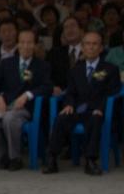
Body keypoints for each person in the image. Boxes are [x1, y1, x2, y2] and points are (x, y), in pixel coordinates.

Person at [44, 30, 120, 176]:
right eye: (87, 44)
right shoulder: (75, 70)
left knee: (96, 119)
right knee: (61, 118)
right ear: (83, 47)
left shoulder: (110, 69)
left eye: (94, 44)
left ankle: (90, 161)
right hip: (78, 110)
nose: (91, 47)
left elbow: (113, 93)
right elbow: (70, 92)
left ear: (101, 48)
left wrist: (101, 108)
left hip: (97, 110)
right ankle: (52, 158)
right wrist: (69, 104)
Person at [0, 29, 51, 170]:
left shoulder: (42, 66)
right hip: (5, 106)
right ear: (18, 45)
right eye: (23, 42)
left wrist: (28, 95)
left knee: (10, 119)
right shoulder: (7, 63)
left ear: (35, 45)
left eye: (29, 42)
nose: (26, 46)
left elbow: (47, 87)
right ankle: (3, 156)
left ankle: (15, 158)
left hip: (25, 108)